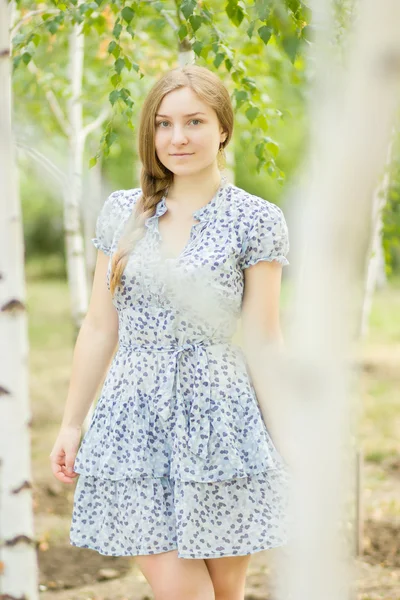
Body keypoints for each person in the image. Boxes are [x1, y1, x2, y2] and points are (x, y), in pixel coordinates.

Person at [50, 64, 291, 600]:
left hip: (222, 426)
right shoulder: (122, 214)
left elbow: (265, 339)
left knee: (226, 594)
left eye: (194, 122)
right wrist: (71, 424)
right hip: (132, 424)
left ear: (223, 128)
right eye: (163, 124)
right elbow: (98, 327)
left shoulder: (256, 220)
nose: (177, 138)